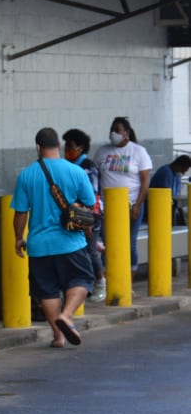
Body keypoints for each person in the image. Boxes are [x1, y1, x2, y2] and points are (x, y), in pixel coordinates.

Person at [12, 127, 96, 347]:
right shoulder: (76, 172)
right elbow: (89, 204)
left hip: (39, 245)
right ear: (59, 146)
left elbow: (21, 212)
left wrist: (19, 237)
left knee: (47, 290)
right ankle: (67, 315)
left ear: (38, 148)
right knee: (82, 279)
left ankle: (58, 336)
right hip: (71, 242)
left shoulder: (27, 175)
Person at [94, 116, 152, 284]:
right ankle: (108, 280)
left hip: (131, 204)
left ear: (126, 133)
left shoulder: (138, 151)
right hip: (107, 206)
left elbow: (145, 180)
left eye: (117, 130)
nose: (113, 133)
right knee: (108, 243)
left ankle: (128, 279)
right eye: (112, 130)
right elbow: (95, 176)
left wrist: (138, 205)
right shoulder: (102, 152)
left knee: (129, 242)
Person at [62, 128, 106, 302]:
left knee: (90, 250)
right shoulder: (69, 166)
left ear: (81, 147)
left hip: (90, 213)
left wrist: (86, 216)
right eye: (66, 146)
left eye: (70, 146)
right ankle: (82, 286)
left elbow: (92, 195)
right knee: (78, 250)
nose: (67, 150)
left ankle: (100, 282)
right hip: (73, 212)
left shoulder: (88, 167)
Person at [147, 154, 191, 226]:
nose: (183, 173)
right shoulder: (165, 172)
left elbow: (176, 193)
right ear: (179, 165)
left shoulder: (176, 175)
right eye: (183, 170)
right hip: (158, 207)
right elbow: (166, 194)